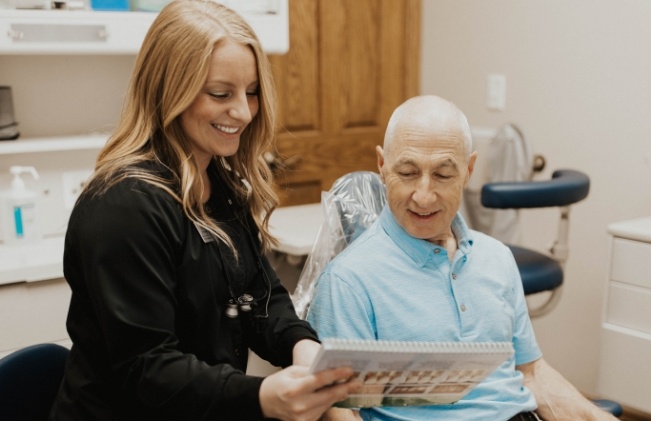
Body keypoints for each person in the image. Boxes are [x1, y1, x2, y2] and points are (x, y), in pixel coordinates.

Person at [48, 1, 359, 420]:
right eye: (220, 94)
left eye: (250, 92)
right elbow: (148, 368)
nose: (243, 112)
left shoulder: (220, 184)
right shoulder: (123, 205)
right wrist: (263, 397)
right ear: (168, 90)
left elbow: (258, 297)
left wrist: (303, 349)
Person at [306, 95, 617, 421]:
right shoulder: (347, 282)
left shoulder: (497, 258)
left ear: (468, 171)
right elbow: (342, 412)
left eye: (442, 175)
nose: (423, 196)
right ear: (382, 166)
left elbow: (531, 374)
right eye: (408, 172)